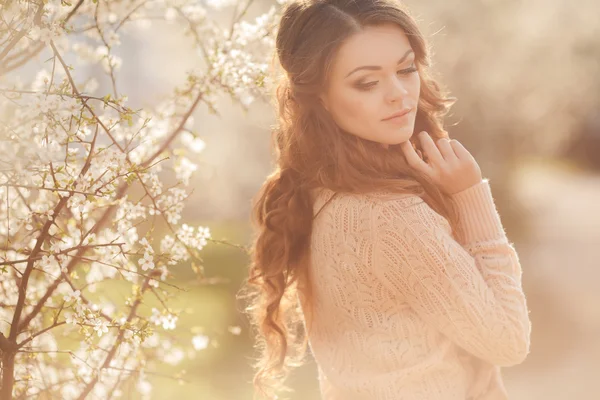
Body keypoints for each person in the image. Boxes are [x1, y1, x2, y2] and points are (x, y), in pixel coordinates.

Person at [239, 0, 532, 399]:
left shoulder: (316, 188)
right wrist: (470, 198)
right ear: (320, 97)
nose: (399, 94)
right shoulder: (392, 216)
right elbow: (508, 340)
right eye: (367, 82)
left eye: (406, 69)